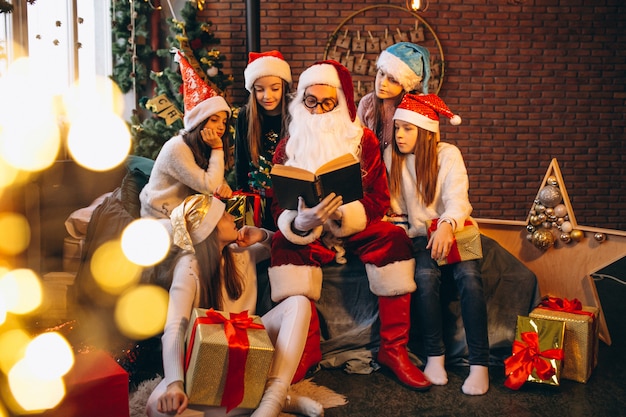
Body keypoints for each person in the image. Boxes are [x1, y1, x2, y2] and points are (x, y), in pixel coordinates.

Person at [268, 60, 432, 391]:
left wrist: (343, 215)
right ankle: (305, 349)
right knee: (283, 246)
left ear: (341, 102)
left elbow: (379, 199)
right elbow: (276, 203)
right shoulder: (288, 146)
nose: (316, 110)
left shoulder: (364, 141)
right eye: (310, 101)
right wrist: (298, 221)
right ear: (301, 101)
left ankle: (393, 349)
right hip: (309, 229)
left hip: (351, 226)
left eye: (326, 103)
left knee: (393, 239)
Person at [145, 194, 324, 417]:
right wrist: (174, 384)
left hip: (250, 347)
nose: (232, 217)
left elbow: (279, 246)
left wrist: (261, 234)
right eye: (223, 215)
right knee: (156, 408)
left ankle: (273, 398)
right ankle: (273, 401)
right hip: (207, 361)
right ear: (209, 229)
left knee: (298, 303)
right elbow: (174, 327)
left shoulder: (240, 253)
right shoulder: (188, 267)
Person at [384, 93, 490, 395]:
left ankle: (479, 364)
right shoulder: (394, 157)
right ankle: (435, 357)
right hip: (421, 236)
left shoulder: (448, 155)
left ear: (425, 131)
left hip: (455, 230)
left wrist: (446, 224)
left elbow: (458, 200)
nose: (400, 135)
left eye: (408, 128)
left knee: (470, 280)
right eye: (398, 128)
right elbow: (398, 210)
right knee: (425, 279)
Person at [140, 50, 233, 219]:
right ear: (198, 123)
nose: (221, 127)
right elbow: (208, 185)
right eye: (214, 120)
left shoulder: (202, 145)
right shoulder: (177, 148)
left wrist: (223, 186)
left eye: (224, 122)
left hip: (185, 214)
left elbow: (213, 181)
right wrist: (218, 148)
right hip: (159, 217)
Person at [234, 50, 292, 231]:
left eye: (274, 88)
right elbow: (240, 161)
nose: (267, 96)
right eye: (260, 90)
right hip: (256, 200)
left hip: (287, 200)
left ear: (284, 86)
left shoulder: (294, 112)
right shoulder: (245, 115)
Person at [356, 42, 431, 153]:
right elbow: (357, 143)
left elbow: (428, 147)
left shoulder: (417, 106)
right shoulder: (367, 103)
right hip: (371, 168)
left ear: (406, 85)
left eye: (393, 80)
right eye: (381, 74)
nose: (382, 83)